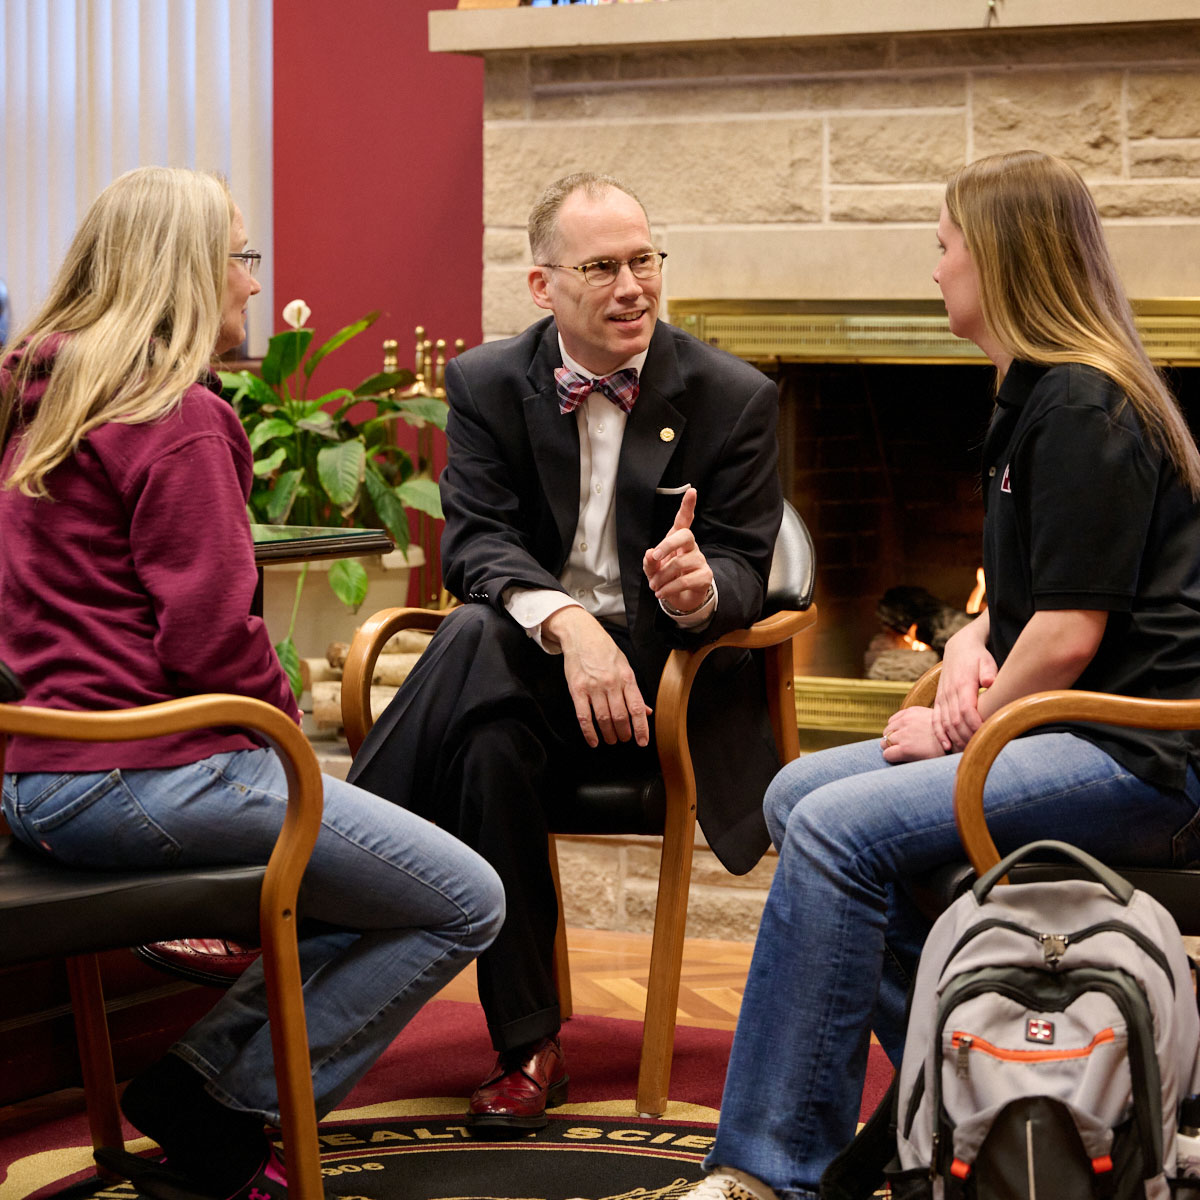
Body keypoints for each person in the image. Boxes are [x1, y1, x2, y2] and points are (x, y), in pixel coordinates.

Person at [683, 148, 1200, 1200]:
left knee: (834, 827)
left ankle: (770, 1170)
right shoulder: (1033, 400)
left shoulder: (1086, 410)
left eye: (945, 247)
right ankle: (998, 1055)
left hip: (1144, 759)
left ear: (1000, 262)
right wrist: (968, 642)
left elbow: (1066, 637)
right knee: (793, 795)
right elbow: (1024, 607)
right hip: (1073, 732)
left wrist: (963, 731)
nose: (934, 272)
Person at [0, 166, 505, 1200]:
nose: (251, 283)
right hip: (151, 778)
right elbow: (210, 643)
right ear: (190, 271)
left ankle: (202, 1086)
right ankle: (231, 1106)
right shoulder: (174, 415)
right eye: (242, 256)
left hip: (34, 783)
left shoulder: (35, 400)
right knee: (464, 898)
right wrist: (292, 747)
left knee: (369, 873)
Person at [348, 171, 784, 1129]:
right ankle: (529, 1046)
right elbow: (472, 541)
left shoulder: (734, 397)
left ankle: (325, 865)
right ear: (543, 286)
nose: (633, 287)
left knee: (469, 656)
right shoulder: (485, 381)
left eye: (643, 261)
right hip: (533, 669)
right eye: (602, 267)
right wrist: (571, 624)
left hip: (664, 688)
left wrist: (699, 588)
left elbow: (752, 567)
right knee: (485, 716)